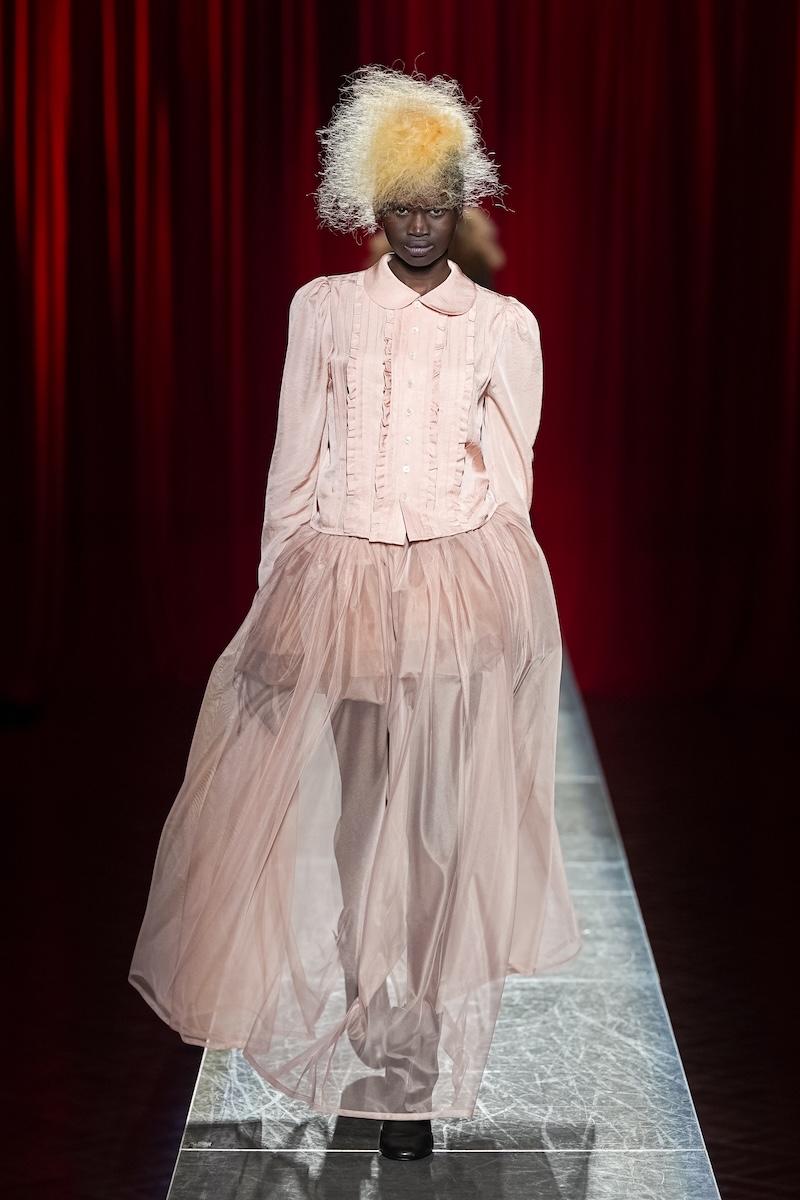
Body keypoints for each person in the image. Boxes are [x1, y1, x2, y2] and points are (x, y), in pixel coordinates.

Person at [128, 62, 582, 1163]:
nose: (419, 224)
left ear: (462, 203)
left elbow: (510, 483)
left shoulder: (502, 326)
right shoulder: (322, 310)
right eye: (401, 204)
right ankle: (370, 1047)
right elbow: (292, 466)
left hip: (450, 593)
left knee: (431, 843)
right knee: (356, 835)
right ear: (369, 202)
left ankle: (404, 1075)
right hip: (340, 587)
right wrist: (273, 613)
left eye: (437, 204)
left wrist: (502, 612)